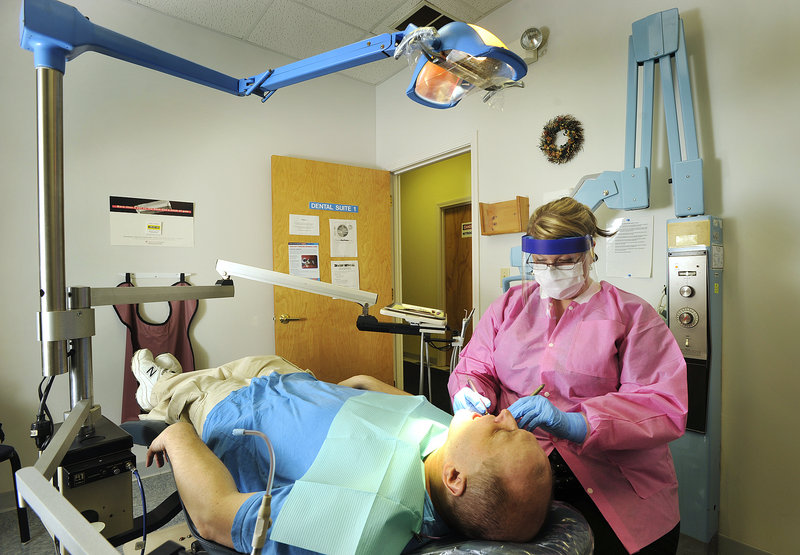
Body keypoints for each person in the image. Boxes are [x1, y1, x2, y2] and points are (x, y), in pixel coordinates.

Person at [448, 197, 688, 554]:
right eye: (541, 263)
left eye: (563, 262)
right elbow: (475, 366)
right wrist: (470, 392)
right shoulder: (510, 307)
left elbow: (663, 402)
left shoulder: (632, 316)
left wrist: (578, 423)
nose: (551, 271)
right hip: (524, 478)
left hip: (617, 485)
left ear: (590, 251)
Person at [135, 354, 553, 554]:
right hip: (285, 374)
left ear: (455, 480)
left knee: (172, 389)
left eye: (504, 435)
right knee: (238, 364)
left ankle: (162, 387)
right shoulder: (449, 442)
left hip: (233, 409)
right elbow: (367, 385)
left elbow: (214, 515)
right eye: (521, 430)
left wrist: (177, 436)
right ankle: (174, 377)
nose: (506, 416)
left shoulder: (359, 522)